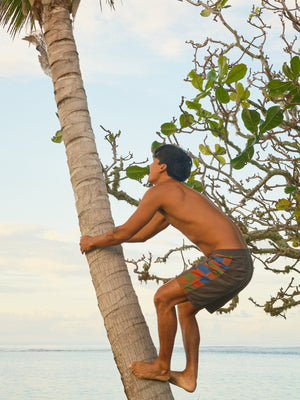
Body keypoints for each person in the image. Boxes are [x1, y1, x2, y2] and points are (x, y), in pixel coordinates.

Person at [80, 144, 253, 393]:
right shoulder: (172, 196)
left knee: (163, 298)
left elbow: (127, 231)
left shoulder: (160, 192)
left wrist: (92, 241)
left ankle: (162, 366)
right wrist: (109, 236)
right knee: (184, 308)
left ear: (162, 166)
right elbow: (139, 235)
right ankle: (189, 375)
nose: (150, 167)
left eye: (153, 161)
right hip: (236, 262)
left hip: (227, 262)